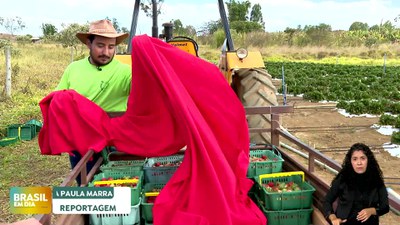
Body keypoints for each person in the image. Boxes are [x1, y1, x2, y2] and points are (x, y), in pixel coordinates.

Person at [55, 19, 131, 185]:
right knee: (86, 184)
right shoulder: (73, 69)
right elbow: (58, 99)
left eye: (111, 47)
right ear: (89, 43)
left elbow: (145, 91)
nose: (106, 52)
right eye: (100, 46)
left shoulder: (125, 72)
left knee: (120, 183)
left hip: (114, 140)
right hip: (81, 140)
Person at [324, 143, 389, 225]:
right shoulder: (343, 178)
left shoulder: (376, 180)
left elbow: (385, 207)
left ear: (368, 160)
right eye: (355, 159)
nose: (359, 163)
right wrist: (333, 218)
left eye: (363, 158)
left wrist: (371, 211)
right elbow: (327, 201)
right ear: (350, 161)